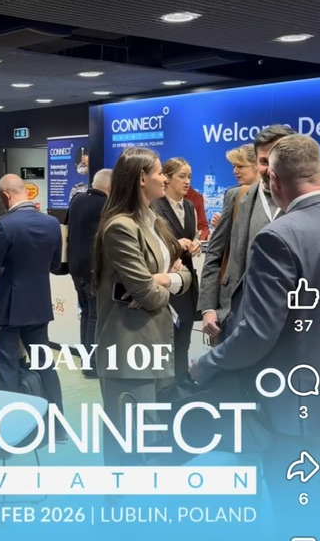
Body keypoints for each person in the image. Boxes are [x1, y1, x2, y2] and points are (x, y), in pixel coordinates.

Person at [191, 134, 320, 534]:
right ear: (319, 171)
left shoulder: (279, 236)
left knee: (297, 509)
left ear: (272, 179)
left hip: (295, 405)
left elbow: (257, 332)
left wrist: (208, 365)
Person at [93, 147, 192, 464]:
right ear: (141, 178)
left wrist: (162, 279)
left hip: (156, 341)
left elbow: (185, 275)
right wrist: (163, 283)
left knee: (152, 441)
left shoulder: (154, 222)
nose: (164, 179)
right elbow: (148, 295)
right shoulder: (120, 227)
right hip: (129, 346)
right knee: (128, 444)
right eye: (160, 172)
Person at [0, 175, 65, 438]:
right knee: (45, 365)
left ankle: (11, 431)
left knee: (7, 367)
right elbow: (55, 265)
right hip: (39, 305)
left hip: (7, 307)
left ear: (6, 196)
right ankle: (58, 428)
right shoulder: (52, 223)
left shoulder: (2, 225)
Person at [197, 125, 297, 341]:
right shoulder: (236, 197)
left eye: (277, 159)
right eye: (264, 160)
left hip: (289, 321)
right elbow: (215, 254)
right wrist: (208, 308)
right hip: (234, 315)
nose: (270, 168)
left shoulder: (304, 200)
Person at [152, 157, 201, 382]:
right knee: (167, 340)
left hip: (186, 280)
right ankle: (167, 386)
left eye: (189, 176)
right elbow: (151, 243)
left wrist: (196, 243)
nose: (187, 181)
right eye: (182, 176)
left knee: (184, 338)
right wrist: (174, 244)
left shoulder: (189, 206)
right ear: (168, 178)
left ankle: (182, 382)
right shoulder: (155, 206)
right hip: (166, 280)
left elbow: (195, 234)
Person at [66, 168, 112, 379]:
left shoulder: (77, 200)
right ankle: (93, 365)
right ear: (110, 187)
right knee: (95, 316)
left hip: (76, 267)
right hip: (94, 269)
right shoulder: (106, 206)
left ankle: (87, 362)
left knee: (86, 314)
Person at [210, 143, 259, 228]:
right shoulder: (232, 194)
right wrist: (222, 226)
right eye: (233, 167)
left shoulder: (274, 192)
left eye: (240, 166)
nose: (235, 171)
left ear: (257, 165)